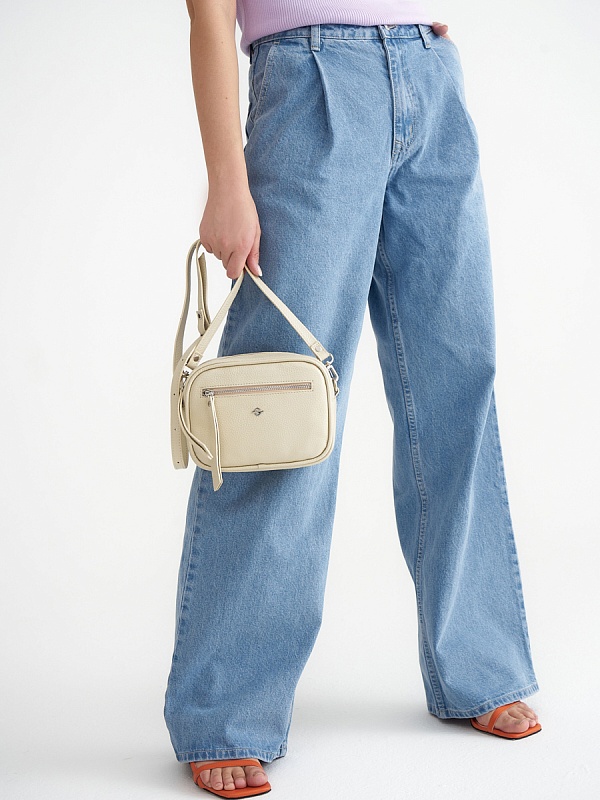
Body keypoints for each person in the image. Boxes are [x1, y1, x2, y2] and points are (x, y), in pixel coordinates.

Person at [164, 1, 543, 796]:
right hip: (310, 84)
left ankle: (478, 664)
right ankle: (227, 711)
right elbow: (209, 16)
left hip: (429, 74)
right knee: (277, 404)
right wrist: (226, 181)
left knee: (457, 385)